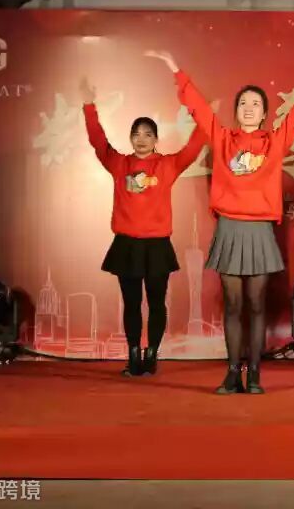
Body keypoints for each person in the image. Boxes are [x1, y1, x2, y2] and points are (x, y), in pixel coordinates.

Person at [144, 50, 294, 395]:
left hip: (260, 230)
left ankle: (255, 373)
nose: (249, 108)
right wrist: (174, 69)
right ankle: (233, 373)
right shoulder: (222, 139)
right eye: (243, 103)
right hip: (230, 228)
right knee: (233, 305)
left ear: (264, 114)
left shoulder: (274, 142)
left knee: (257, 305)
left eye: (256, 104)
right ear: (236, 111)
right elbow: (198, 107)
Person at [81, 77, 206, 377]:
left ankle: (152, 354)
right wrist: (88, 106)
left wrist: (199, 110)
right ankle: (134, 354)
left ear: (156, 139)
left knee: (157, 303)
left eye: (148, 134)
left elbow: (197, 143)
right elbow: (98, 141)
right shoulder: (119, 164)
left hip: (157, 245)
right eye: (136, 134)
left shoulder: (167, 165)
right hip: (127, 244)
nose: (141, 139)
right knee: (132, 303)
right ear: (130, 138)